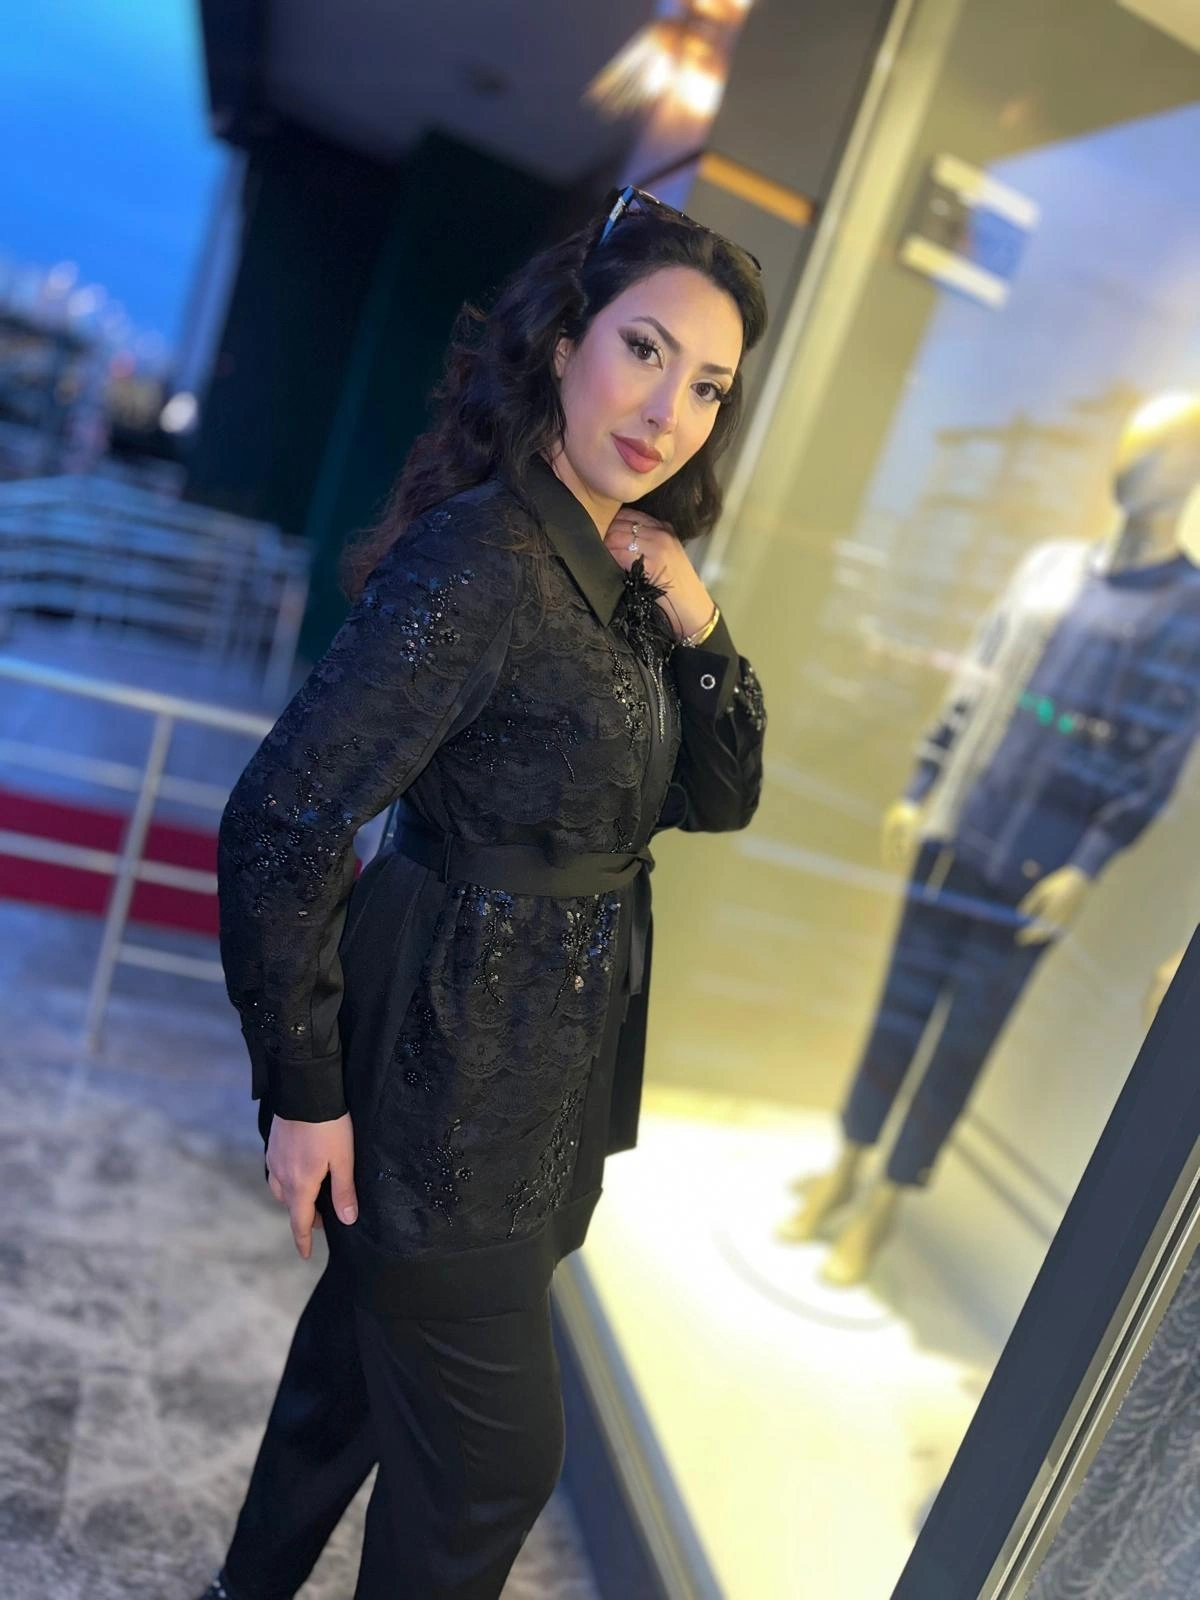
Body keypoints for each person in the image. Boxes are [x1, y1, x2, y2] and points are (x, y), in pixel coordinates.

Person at [199, 184, 769, 1600]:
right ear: (565, 342)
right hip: (444, 1063)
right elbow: (285, 816)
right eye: (644, 350)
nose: (670, 411)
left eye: (708, 387)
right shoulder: (487, 556)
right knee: (492, 1466)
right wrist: (304, 1089)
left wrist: (697, 616)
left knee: (354, 1369)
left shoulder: (624, 571)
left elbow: (717, 796)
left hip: (547, 1058)